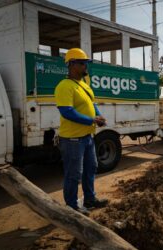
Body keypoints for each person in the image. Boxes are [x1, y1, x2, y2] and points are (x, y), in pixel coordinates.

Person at [55, 48, 108, 215]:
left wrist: (98, 116)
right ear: (72, 64)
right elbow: (67, 112)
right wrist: (91, 120)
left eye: (86, 63)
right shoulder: (64, 86)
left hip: (87, 137)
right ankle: (72, 207)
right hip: (72, 140)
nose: (86, 66)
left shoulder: (83, 85)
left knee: (91, 168)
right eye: (82, 63)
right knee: (74, 174)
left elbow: (92, 104)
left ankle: (90, 199)